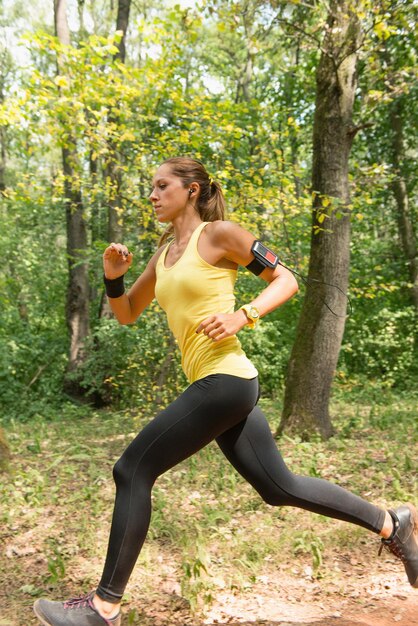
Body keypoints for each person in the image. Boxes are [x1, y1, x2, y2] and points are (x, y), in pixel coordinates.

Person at [34, 157, 417, 626]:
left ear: (191, 190)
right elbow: (128, 312)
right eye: (150, 188)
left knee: (132, 469)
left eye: (161, 186)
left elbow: (287, 279)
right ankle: (390, 523)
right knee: (279, 487)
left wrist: (244, 315)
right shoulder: (164, 253)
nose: (152, 195)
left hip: (227, 379)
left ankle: (103, 607)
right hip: (216, 384)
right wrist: (112, 275)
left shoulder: (219, 234)